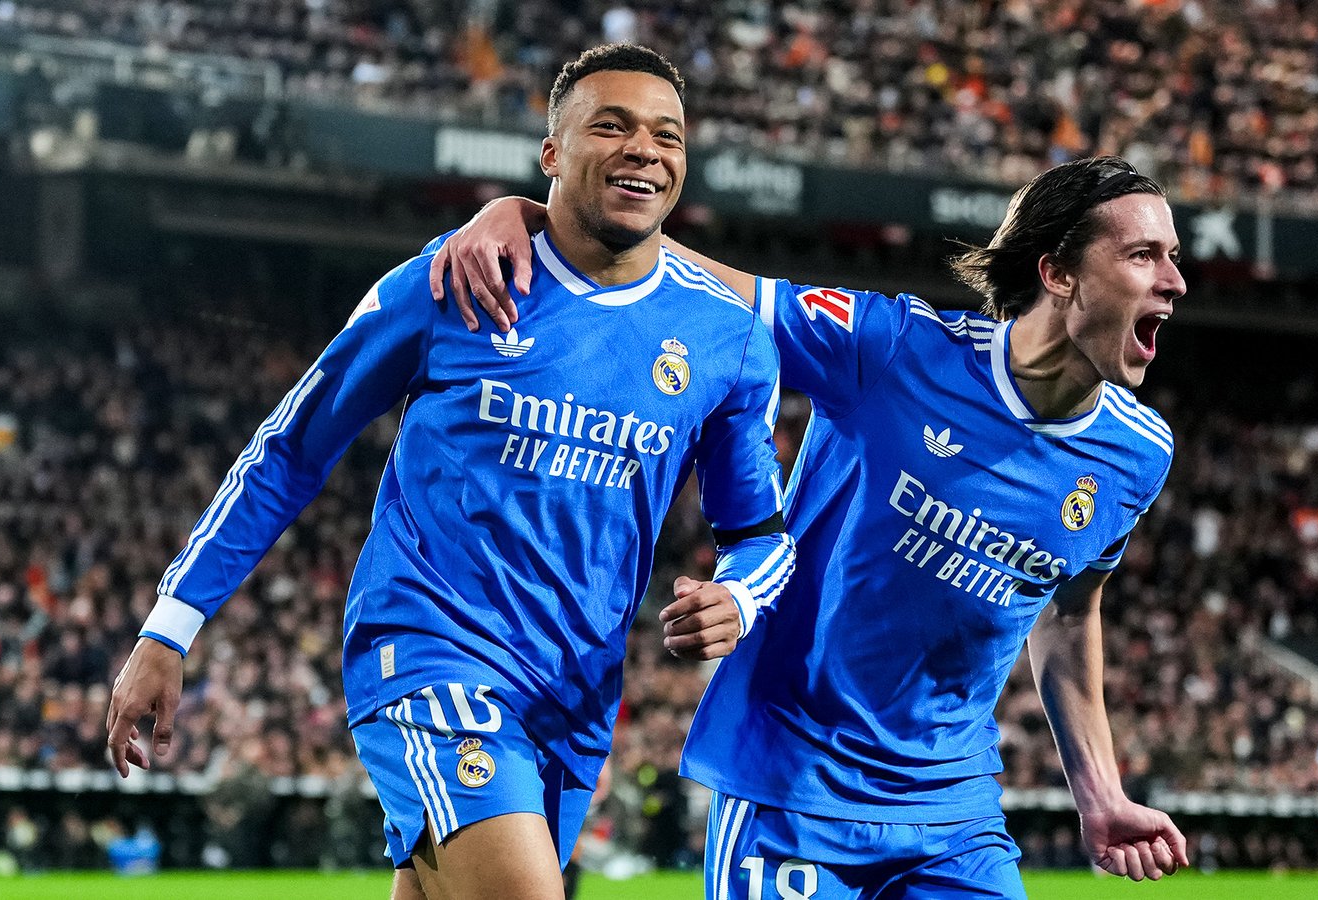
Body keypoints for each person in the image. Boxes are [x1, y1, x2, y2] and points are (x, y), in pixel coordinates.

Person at [105, 43, 795, 900]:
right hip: (430, 649)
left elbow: (761, 538)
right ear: (552, 153)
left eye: (668, 135)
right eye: (610, 125)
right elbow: (290, 448)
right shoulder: (451, 283)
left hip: (575, 693)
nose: (644, 150)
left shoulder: (727, 341)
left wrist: (738, 597)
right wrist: (170, 626)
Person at [435, 154, 1192, 897]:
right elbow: (710, 286)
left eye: (1174, 258)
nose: (1174, 281)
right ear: (1057, 272)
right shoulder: (892, 348)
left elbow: (1067, 610)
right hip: (789, 793)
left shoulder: (1138, 453)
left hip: (951, 819)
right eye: (1143, 255)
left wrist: (1099, 794)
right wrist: (542, 220)